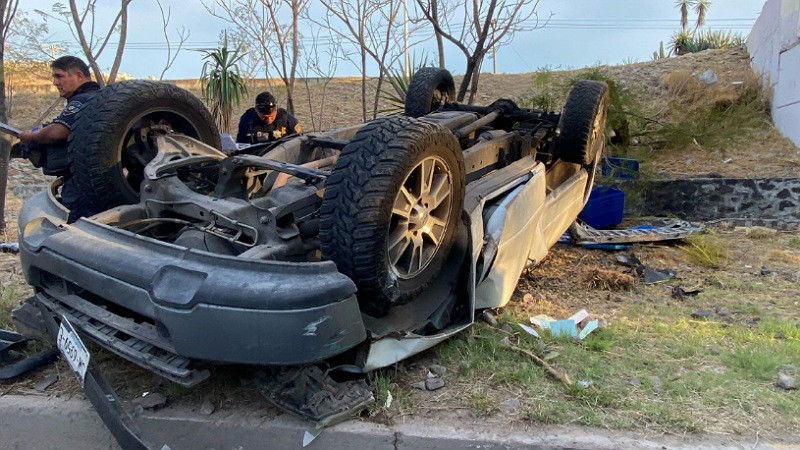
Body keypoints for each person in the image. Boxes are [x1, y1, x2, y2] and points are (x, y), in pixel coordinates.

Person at [15, 55, 101, 222]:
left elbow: (57, 132)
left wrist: (30, 136)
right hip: (99, 183)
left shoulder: (83, 100)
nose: (55, 82)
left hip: (81, 184)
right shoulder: (103, 99)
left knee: (78, 234)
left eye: (59, 76)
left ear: (78, 76)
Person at [236, 91, 301, 144]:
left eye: (272, 116)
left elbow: (300, 141)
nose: (269, 120)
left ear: (276, 109)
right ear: (256, 110)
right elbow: (240, 143)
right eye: (264, 117)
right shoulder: (247, 119)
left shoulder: (289, 121)